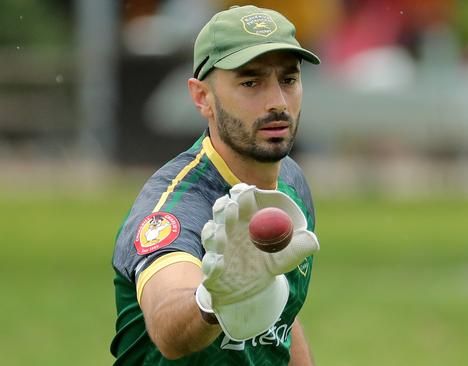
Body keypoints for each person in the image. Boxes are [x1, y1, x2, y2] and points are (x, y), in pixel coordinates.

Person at [110, 5, 321, 365]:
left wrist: (254, 283)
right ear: (201, 97)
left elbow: (283, 318)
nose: (277, 102)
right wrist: (214, 300)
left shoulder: (290, 182)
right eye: (250, 82)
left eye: (288, 80)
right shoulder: (177, 206)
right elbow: (167, 326)